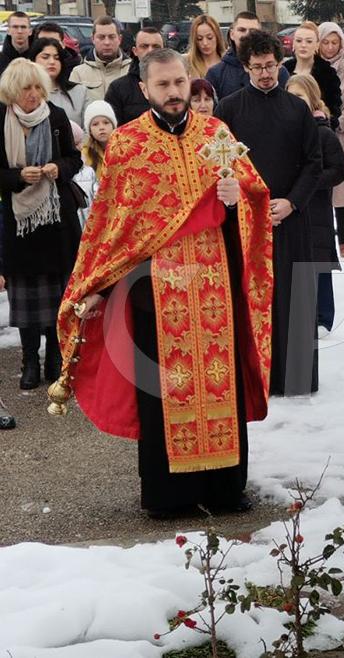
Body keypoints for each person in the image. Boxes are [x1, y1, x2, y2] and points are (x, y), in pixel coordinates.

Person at [56, 48, 272, 518]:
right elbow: (110, 227)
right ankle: (166, 496)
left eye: (179, 83)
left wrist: (237, 200)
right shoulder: (128, 145)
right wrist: (96, 285)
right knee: (160, 386)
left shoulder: (217, 134)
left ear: (189, 81)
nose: (174, 93)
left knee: (221, 383)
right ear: (145, 89)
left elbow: (255, 200)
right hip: (154, 289)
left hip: (215, 282)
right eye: (164, 86)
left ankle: (224, 489)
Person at [216, 30, 322, 397]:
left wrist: (292, 202)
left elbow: (314, 162)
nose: (265, 74)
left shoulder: (296, 108)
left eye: (271, 66)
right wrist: (246, 202)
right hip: (246, 220)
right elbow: (222, 165)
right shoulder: (228, 109)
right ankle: (254, 375)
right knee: (250, 294)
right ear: (245, 67)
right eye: (258, 67)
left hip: (290, 216)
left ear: (280, 63)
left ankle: (295, 378)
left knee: (294, 293)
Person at [0, 59, 83, 389]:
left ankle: (55, 358)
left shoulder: (57, 117)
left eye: (37, 87)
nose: (33, 95)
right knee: (26, 294)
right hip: (20, 223)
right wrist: (17, 177)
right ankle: (29, 360)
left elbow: (75, 159)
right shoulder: (1, 118)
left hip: (56, 221)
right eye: (26, 89)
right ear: (12, 91)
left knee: (57, 294)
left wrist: (57, 169)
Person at [286, 74, 344, 335]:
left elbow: (338, 170)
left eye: (299, 96)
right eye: (290, 95)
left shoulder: (324, 134)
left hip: (316, 206)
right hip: (290, 207)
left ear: (312, 99)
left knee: (319, 259)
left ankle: (323, 315)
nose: (294, 102)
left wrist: (308, 181)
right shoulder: (283, 130)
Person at [318, 22, 344, 260]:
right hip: (317, 131)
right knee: (320, 185)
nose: (330, 47)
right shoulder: (314, 67)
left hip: (342, 133)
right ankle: (324, 236)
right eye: (326, 42)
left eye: (335, 42)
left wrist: (339, 121)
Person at [206, 12, 289, 100]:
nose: (247, 35)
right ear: (232, 34)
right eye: (242, 30)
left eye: (253, 31)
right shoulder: (216, 74)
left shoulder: (278, 72)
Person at [284, 22, 342, 130]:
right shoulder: (283, 71)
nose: (303, 45)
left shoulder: (327, 73)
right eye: (299, 40)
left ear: (317, 45)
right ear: (293, 44)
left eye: (309, 41)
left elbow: (334, 110)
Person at [104, 27, 163, 126]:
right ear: (135, 51)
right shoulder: (118, 89)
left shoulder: (177, 86)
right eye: (144, 46)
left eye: (156, 47)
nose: (150, 51)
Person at [69, 17, 131, 105]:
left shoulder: (132, 71)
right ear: (93, 39)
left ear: (119, 39)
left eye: (111, 37)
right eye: (101, 37)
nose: (107, 42)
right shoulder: (78, 73)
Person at [30, 37, 86, 127]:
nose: (52, 62)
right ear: (33, 61)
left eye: (57, 58)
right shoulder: (23, 94)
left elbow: (89, 129)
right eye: (45, 57)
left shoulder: (80, 91)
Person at [81, 100, 116, 179]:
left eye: (106, 122)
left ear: (113, 126)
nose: (101, 127)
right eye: (95, 124)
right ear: (90, 130)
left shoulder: (124, 150)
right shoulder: (84, 154)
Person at [187, 14, 226, 79]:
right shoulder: (186, 63)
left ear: (217, 37)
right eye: (199, 39)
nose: (205, 43)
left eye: (209, 38)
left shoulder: (228, 62)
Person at [0, 12, 32, 79]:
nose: (19, 31)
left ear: (30, 31)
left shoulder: (38, 58)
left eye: (23, 27)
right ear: (8, 31)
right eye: (15, 27)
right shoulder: (1, 60)